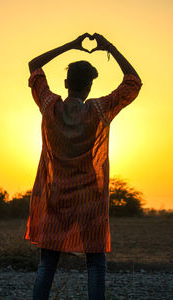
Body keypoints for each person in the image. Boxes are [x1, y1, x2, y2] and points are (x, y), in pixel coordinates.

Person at [24, 33, 143, 300]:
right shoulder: (98, 110)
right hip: (90, 198)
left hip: (56, 197)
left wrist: (70, 45)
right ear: (89, 87)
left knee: (47, 263)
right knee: (95, 263)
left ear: (66, 83)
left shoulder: (49, 107)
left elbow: (34, 65)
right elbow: (133, 82)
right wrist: (109, 46)